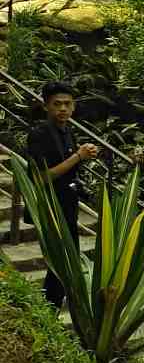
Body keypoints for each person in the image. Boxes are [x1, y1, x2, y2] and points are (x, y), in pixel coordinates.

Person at [26, 81, 98, 309]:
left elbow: (68, 167)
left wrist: (85, 156)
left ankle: (51, 308)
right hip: (50, 207)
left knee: (67, 259)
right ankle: (50, 308)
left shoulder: (67, 131)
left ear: (74, 107)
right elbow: (41, 178)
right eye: (57, 104)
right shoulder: (40, 134)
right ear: (46, 106)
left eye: (68, 104)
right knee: (60, 260)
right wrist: (78, 156)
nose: (63, 109)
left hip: (68, 203)